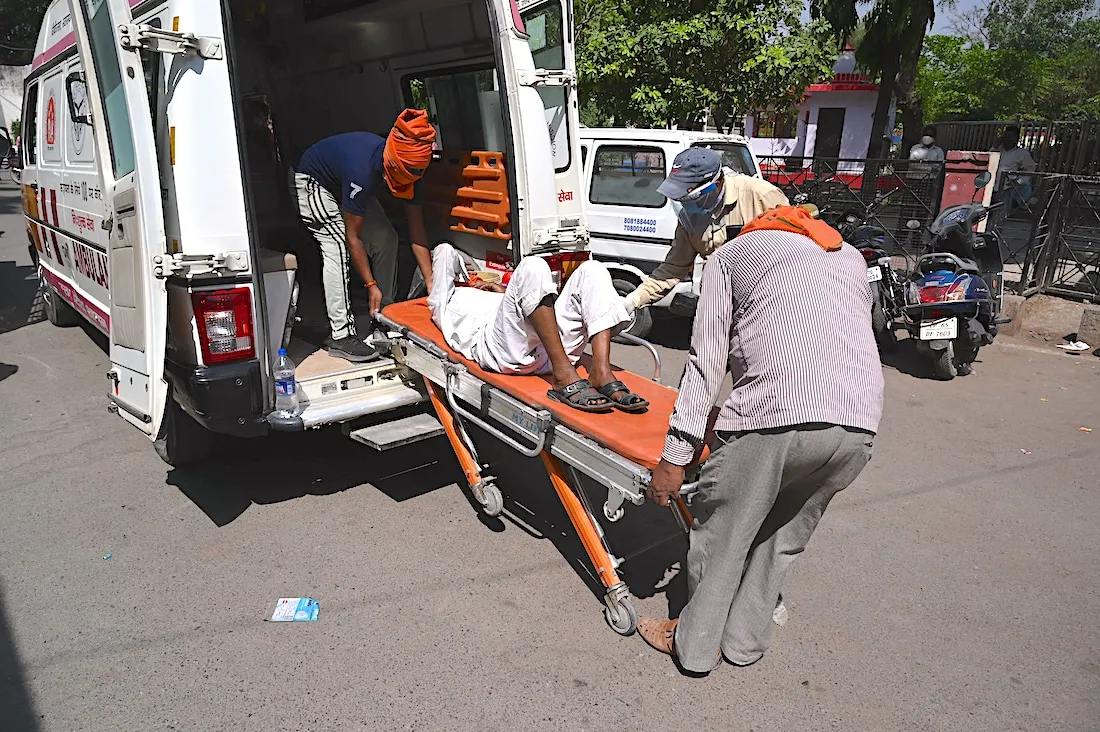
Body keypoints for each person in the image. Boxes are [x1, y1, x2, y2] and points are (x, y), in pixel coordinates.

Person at [636, 203, 884, 674]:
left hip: (778, 416)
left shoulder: (733, 257)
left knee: (722, 536)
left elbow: (706, 364)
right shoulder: (850, 257)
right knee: (781, 539)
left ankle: (693, 647)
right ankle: (744, 643)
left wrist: (676, 454)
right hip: (858, 425)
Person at [427, 243, 650, 414]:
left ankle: (600, 371)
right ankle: (562, 374)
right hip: (509, 355)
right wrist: (453, 264)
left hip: (551, 347)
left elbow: (524, 302)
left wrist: (501, 291)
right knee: (532, 266)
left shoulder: (493, 293)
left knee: (593, 270)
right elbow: (443, 251)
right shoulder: (445, 300)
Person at [290, 109, 437, 362]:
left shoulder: (414, 170)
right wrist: (371, 285)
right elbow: (352, 236)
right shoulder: (364, 168)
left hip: (346, 185)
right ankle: (341, 335)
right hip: (314, 181)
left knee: (386, 238)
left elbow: (416, 230)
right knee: (336, 245)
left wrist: (431, 280)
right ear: (391, 162)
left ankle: (384, 314)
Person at [621, 148, 788, 313]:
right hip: (718, 304)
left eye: (690, 198)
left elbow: (791, 259)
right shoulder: (690, 219)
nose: (686, 205)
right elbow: (672, 268)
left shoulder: (762, 197)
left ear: (715, 185)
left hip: (765, 302)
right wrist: (633, 300)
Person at [991, 125, 1037, 213]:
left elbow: (1031, 169)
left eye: (1010, 137)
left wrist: (1020, 181)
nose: (1007, 140)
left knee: (1000, 213)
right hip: (991, 185)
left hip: (1006, 187)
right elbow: (987, 161)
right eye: (1006, 137)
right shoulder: (996, 150)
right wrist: (995, 147)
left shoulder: (1022, 154)